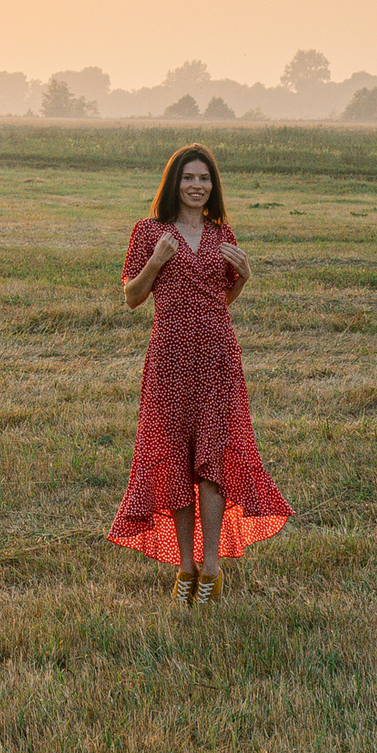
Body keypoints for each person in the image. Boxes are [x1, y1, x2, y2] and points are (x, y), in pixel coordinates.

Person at [109, 144, 292, 603]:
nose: (197, 186)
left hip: (217, 359)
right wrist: (157, 259)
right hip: (169, 360)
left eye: (205, 179)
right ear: (174, 182)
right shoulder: (149, 231)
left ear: (213, 187)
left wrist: (245, 277)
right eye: (189, 177)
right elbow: (132, 298)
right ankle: (185, 568)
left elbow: (216, 300)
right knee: (174, 463)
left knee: (212, 462)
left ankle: (211, 570)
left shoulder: (220, 233)